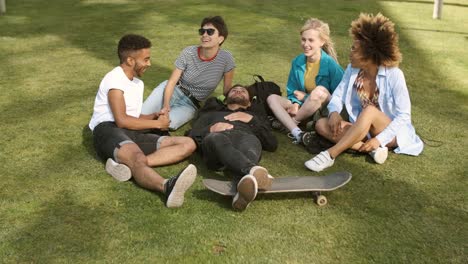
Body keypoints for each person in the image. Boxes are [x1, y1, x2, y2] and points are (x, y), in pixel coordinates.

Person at [89, 34, 198, 208]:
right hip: (107, 130)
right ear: (131, 60)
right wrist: (157, 124)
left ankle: (128, 166)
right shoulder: (114, 79)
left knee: (188, 144)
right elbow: (122, 120)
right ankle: (166, 186)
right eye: (146, 59)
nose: (149, 64)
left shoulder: (137, 84)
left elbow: (133, 117)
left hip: (130, 131)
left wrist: (155, 115)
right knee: (137, 156)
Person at [305, 13, 424, 172]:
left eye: (354, 49)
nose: (350, 52)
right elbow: (338, 95)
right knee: (321, 124)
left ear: (369, 54)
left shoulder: (394, 74)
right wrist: (333, 112)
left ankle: (329, 155)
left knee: (370, 110)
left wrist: (380, 139)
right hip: (362, 129)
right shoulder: (352, 69)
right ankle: (371, 149)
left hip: (391, 132)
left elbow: (404, 115)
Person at [188, 85, 278, 211]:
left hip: (246, 138)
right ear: (226, 99)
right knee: (214, 138)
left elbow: (272, 144)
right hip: (217, 145)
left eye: (243, 91)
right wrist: (209, 129)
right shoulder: (212, 114)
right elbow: (191, 135)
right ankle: (253, 170)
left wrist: (252, 120)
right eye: (234, 90)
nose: (238, 92)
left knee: (250, 144)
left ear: (249, 102)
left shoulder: (254, 116)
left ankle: (242, 190)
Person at [141, 16, 235, 130]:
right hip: (173, 90)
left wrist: (239, 99)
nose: (204, 35)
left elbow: (227, 89)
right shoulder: (189, 52)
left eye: (210, 32)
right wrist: (166, 105)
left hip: (190, 105)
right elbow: (172, 82)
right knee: (142, 114)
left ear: (221, 39)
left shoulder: (226, 58)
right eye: (202, 31)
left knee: (169, 124)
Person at [267, 18, 344, 144]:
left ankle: (290, 124)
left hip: (324, 110)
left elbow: (339, 97)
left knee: (319, 91)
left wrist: (305, 98)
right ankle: (297, 133)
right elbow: (292, 91)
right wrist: (296, 103)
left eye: (311, 40)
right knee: (272, 98)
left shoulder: (332, 66)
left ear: (322, 42)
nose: (305, 44)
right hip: (304, 108)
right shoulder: (297, 62)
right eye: (303, 39)